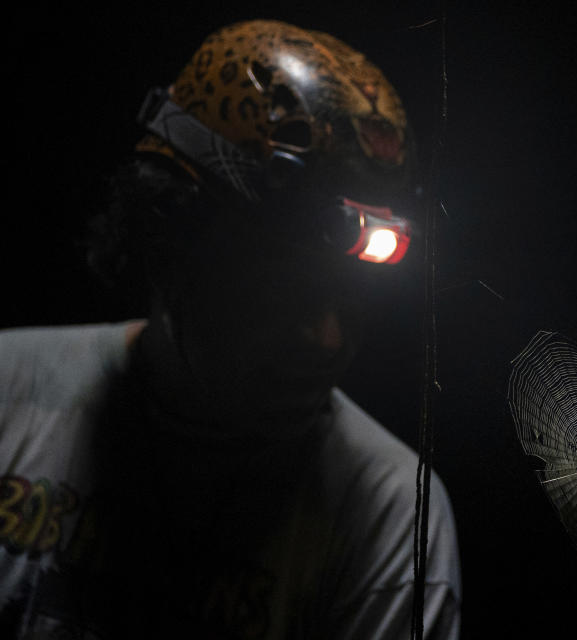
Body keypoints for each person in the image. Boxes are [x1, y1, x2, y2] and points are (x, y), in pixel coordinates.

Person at [0, 19, 460, 639]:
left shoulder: (389, 514)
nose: (327, 338)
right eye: (282, 287)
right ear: (167, 244)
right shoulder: (6, 397)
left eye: (353, 299)